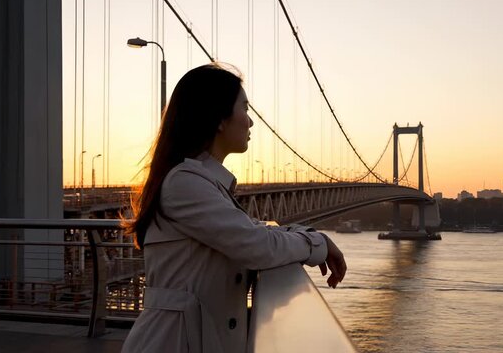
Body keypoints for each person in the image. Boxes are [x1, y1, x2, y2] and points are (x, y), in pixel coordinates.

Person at [121, 63, 347, 353]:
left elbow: (253, 230)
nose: (251, 122)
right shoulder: (185, 184)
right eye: (245, 108)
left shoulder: (205, 184)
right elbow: (257, 246)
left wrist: (305, 233)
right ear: (219, 119)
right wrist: (317, 242)